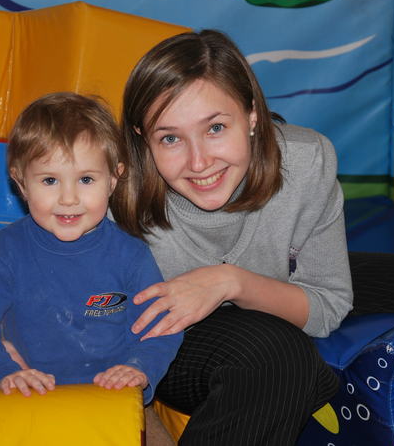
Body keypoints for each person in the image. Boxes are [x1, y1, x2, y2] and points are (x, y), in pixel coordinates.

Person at [109, 29, 353, 445]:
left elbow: (329, 305)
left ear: (252, 115)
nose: (199, 162)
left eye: (216, 128)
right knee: (277, 356)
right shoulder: (114, 193)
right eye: (170, 138)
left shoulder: (307, 161)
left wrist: (229, 281)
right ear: (142, 139)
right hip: (166, 342)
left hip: (266, 284)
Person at [0, 93, 183, 413]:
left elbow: (161, 327)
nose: (69, 198)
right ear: (21, 182)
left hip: (114, 401)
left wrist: (138, 367)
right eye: (50, 180)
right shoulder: (4, 252)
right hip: (29, 399)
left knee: (157, 437)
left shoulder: (131, 255)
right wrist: (4, 372)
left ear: (113, 179)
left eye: (86, 179)